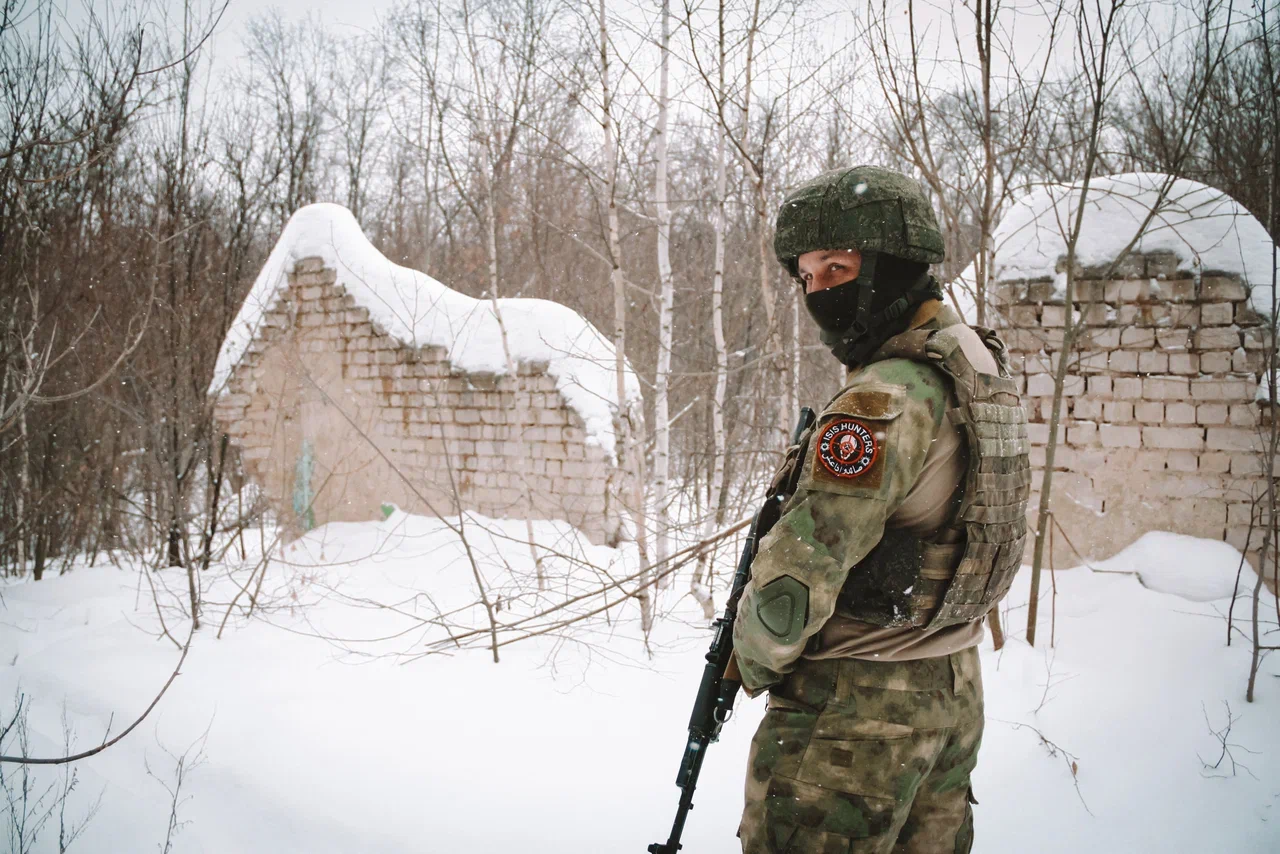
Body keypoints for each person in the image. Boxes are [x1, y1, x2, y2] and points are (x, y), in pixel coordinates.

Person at [733, 165, 1030, 854]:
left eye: (836, 268)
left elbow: (794, 583)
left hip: (857, 711)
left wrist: (751, 661)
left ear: (892, 266)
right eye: (807, 276)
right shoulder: (974, 367)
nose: (819, 292)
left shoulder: (883, 400)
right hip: (950, 690)